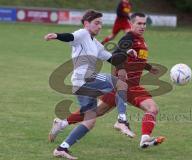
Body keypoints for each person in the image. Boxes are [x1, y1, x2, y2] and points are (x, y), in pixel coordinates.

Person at [49, 12, 166, 150]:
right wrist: (56, 35)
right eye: (139, 23)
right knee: (97, 113)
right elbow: (117, 53)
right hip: (121, 86)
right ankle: (124, 123)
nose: (142, 26)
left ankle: (62, 124)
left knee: (96, 113)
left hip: (132, 86)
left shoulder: (141, 41)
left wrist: (149, 67)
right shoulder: (128, 38)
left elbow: (129, 59)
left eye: (144, 23)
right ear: (131, 24)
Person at [44, 9, 135, 159]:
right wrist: (56, 36)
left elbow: (112, 59)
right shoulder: (83, 33)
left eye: (101, 23)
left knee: (90, 120)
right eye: (96, 23)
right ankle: (121, 121)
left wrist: (126, 53)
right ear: (87, 23)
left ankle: (62, 147)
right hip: (85, 79)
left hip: (84, 82)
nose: (100, 26)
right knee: (121, 84)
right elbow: (71, 36)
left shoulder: (95, 43)